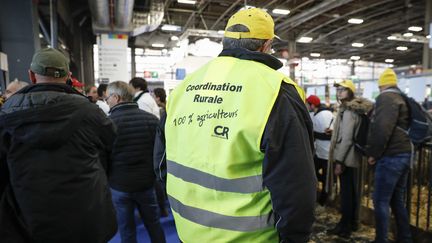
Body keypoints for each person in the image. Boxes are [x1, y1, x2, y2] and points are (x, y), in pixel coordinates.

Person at [155, 7, 316, 243]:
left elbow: (160, 161)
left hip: (188, 232)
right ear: (266, 44)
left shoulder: (185, 87)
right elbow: (295, 184)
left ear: (226, 42)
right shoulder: (275, 91)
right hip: (251, 238)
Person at [0, 48, 117, 242]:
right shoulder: (90, 112)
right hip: (85, 216)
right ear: (69, 76)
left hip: (27, 220)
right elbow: (110, 151)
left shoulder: (6, 114)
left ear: (31, 75)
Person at [106, 81, 166, 243]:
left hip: (119, 185)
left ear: (116, 97)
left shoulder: (107, 123)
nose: (107, 101)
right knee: (154, 224)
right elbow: (159, 153)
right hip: (146, 184)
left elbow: (103, 157)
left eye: (108, 98)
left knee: (126, 230)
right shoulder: (151, 120)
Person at [366, 69, 413, 243]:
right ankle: (405, 238)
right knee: (396, 200)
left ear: (381, 84)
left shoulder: (386, 98)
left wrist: (373, 153)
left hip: (391, 155)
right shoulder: (401, 96)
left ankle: (381, 240)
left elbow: (382, 128)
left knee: (380, 200)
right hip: (404, 153)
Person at [327, 80, 373, 238]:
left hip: (347, 158)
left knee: (347, 194)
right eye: (338, 89)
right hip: (352, 157)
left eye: (343, 89)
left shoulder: (348, 111)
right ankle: (351, 223)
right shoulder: (351, 110)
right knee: (351, 192)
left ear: (350, 92)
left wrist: (339, 161)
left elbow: (347, 138)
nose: (339, 92)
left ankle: (344, 227)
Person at [306, 95, 334, 206]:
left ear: (312, 105)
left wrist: (315, 135)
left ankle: (323, 201)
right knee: (317, 175)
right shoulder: (315, 114)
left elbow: (327, 134)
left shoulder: (323, 115)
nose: (306, 106)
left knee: (325, 179)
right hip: (320, 152)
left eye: (307, 104)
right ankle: (321, 199)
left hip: (326, 153)